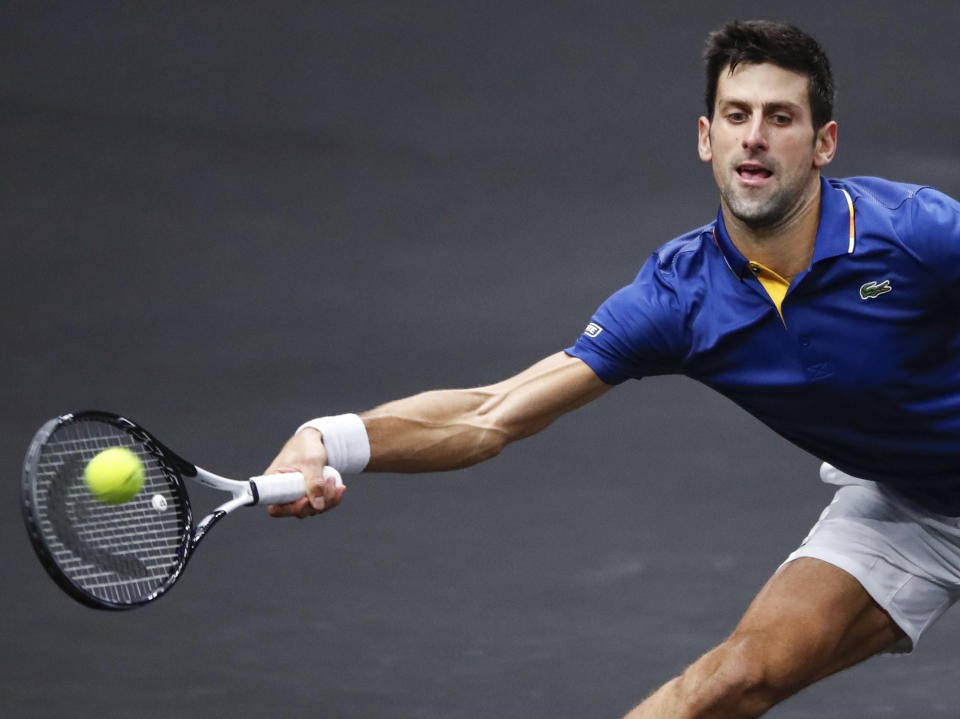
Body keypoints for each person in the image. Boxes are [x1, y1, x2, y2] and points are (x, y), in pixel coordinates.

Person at [264, 20, 960, 719]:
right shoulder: (679, 296)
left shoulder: (914, 232)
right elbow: (490, 413)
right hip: (912, 506)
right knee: (732, 682)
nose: (754, 136)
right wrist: (332, 439)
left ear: (822, 145)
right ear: (705, 137)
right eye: (735, 115)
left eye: (781, 118)